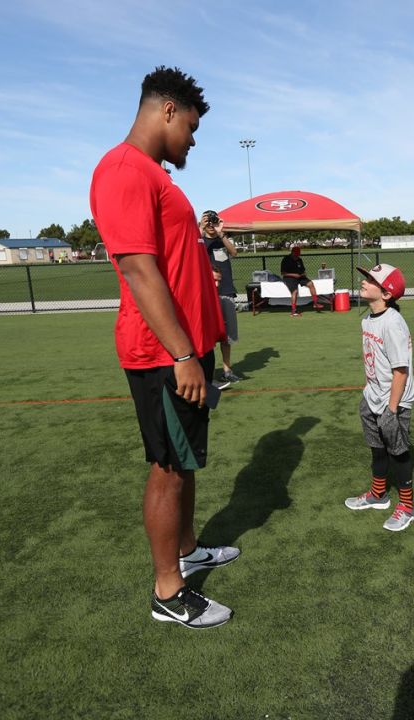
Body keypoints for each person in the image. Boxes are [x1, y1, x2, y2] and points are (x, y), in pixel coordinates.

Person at [89, 65, 236, 629]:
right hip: (160, 355)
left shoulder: (151, 173)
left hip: (182, 352)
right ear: (168, 110)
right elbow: (136, 267)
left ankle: (189, 549)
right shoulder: (123, 168)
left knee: (186, 461)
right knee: (167, 468)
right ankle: (168, 591)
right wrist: (180, 354)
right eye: (192, 127)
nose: (193, 140)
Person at [344, 263, 414, 531]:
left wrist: (391, 408)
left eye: (371, 280)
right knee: (377, 448)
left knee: (398, 452)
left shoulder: (393, 323)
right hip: (373, 397)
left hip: (393, 401)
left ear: (386, 294)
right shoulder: (368, 318)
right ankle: (378, 495)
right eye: (365, 277)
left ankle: (408, 506)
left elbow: (401, 370)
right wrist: (369, 395)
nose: (364, 281)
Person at [201, 210, 242, 387]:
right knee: (207, 335)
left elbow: (234, 252)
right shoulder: (199, 241)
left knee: (227, 335)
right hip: (208, 293)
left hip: (226, 291)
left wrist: (220, 232)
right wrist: (201, 228)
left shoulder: (222, 239)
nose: (211, 224)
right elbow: (194, 249)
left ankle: (227, 370)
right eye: (208, 221)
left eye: (213, 220)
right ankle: (207, 374)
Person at [279, 245, 324, 316]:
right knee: (295, 291)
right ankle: (293, 311)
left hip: (300, 277)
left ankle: (315, 303)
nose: (297, 256)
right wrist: (294, 275)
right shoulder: (286, 259)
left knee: (310, 283)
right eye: (296, 255)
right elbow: (283, 273)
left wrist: (303, 274)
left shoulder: (299, 260)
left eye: (298, 255)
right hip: (289, 278)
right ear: (292, 253)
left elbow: (303, 270)